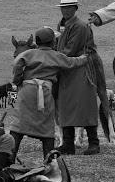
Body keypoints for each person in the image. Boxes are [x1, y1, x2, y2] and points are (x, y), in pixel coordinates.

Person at [9, 26, 89, 164]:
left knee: (18, 127)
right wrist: (85, 57)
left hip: (27, 91)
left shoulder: (29, 54)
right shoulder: (56, 56)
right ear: (52, 42)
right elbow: (72, 62)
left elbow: (17, 63)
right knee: (46, 130)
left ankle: (7, 161)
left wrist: (18, 80)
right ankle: (50, 164)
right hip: (45, 92)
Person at [55, 0, 100, 155]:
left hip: (80, 69)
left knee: (85, 104)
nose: (65, 10)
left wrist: (53, 58)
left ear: (75, 8)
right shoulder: (63, 25)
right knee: (65, 105)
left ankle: (94, 142)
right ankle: (68, 142)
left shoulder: (79, 26)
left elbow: (70, 49)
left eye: (68, 7)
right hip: (67, 69)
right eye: (63, 8)